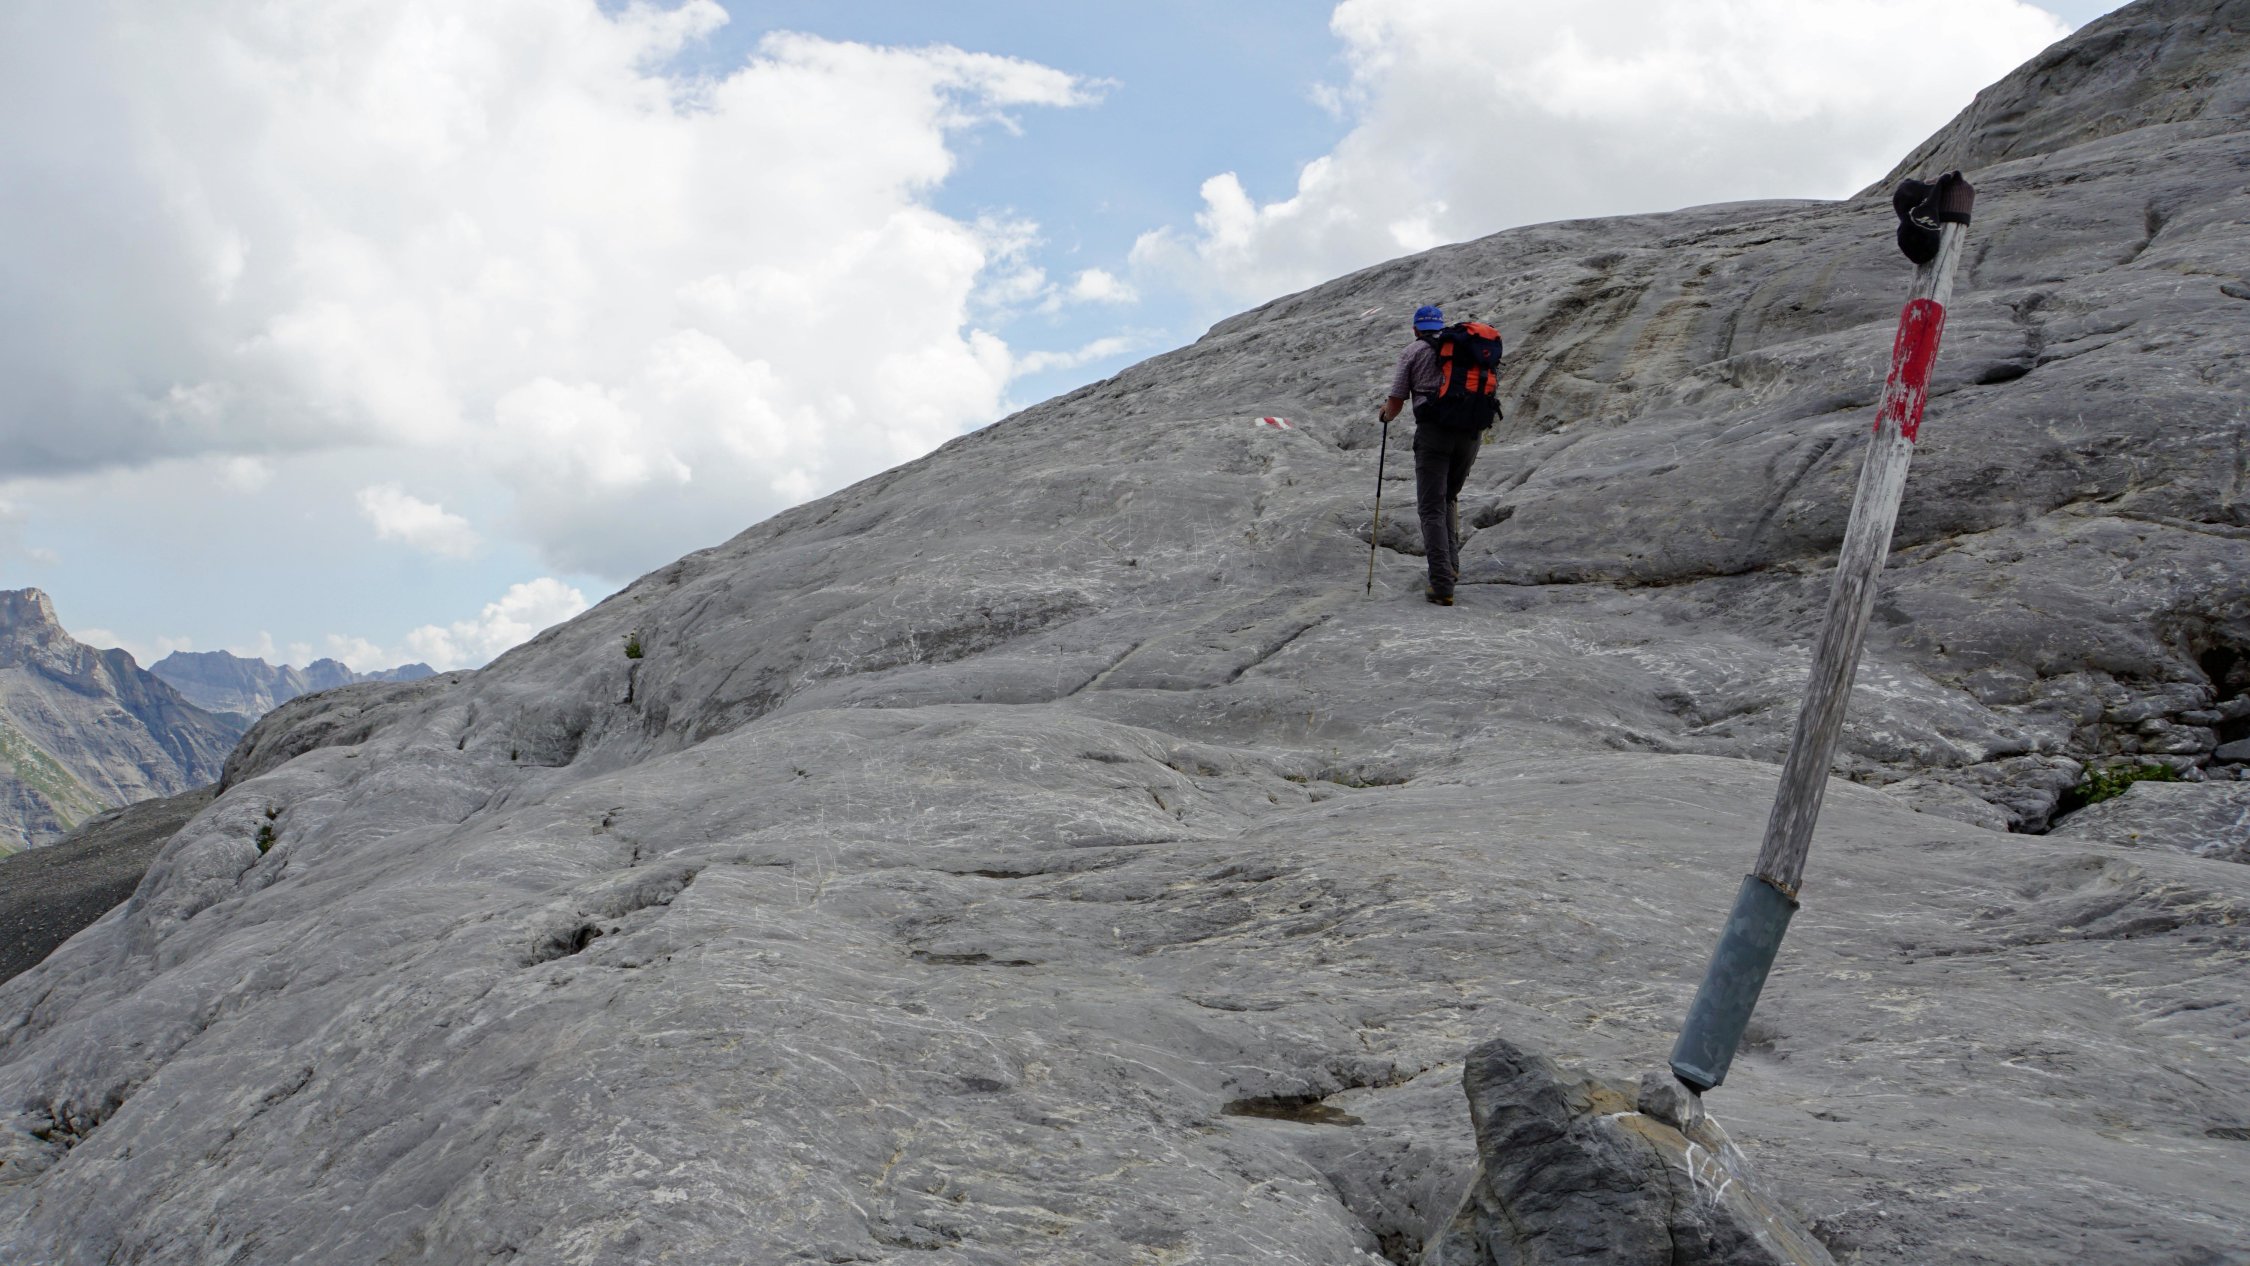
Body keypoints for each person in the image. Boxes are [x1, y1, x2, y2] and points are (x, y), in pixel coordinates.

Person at [1379, 304, 1480, 605]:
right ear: (1441, 325)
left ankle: (1441, 584)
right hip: (1470, 432)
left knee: (1431, 508)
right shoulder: (1465, 348)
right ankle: (1451, 568)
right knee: (1448, 497)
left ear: (1415, 329)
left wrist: (1384, 414)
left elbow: (1395, 403)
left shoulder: (1413, 352)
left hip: (1434, 434)